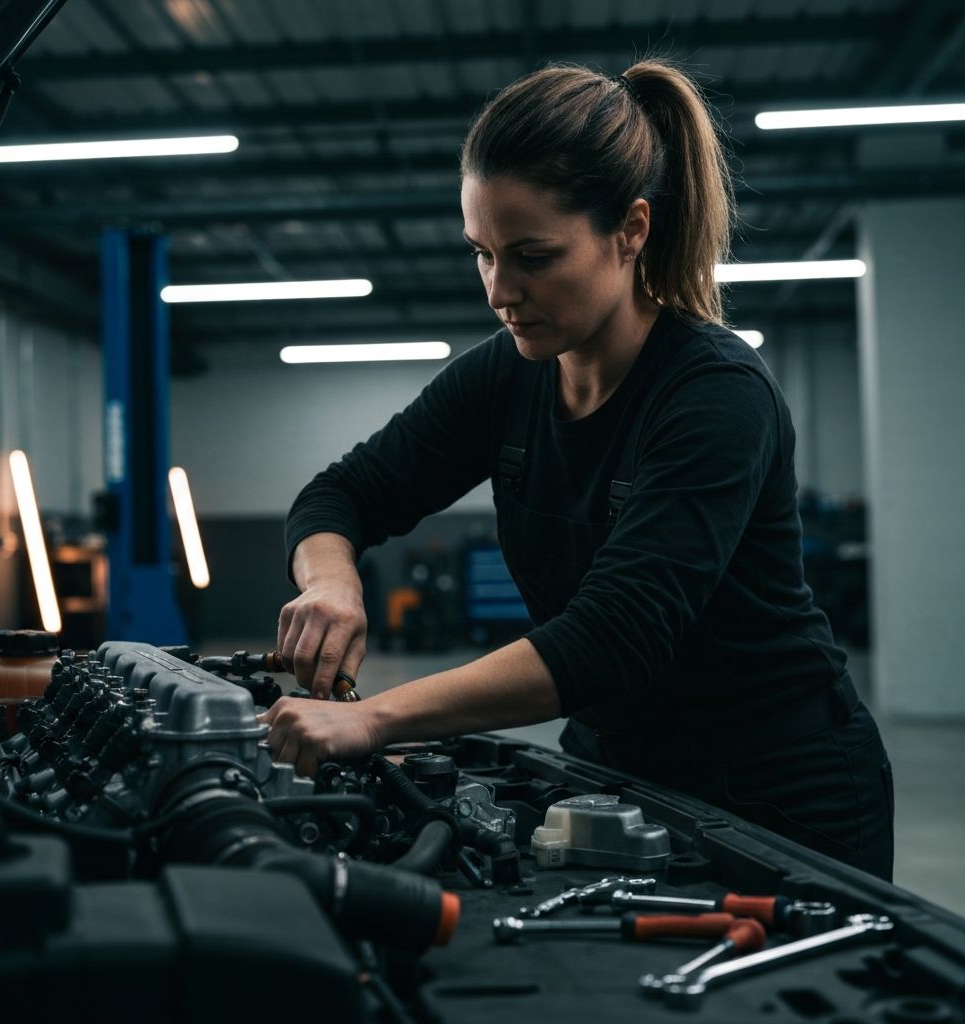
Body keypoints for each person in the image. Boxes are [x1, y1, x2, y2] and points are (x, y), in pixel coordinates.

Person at [260, 61, 894, 880]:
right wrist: (330, 584)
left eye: (532, 256)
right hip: (611, 767)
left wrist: (376, 718)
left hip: (778, 790)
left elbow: (611, 637)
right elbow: (339, 496)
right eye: (482, 254)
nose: (499, 290)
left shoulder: (716, 395)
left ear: (630, 231)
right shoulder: (505, 375)